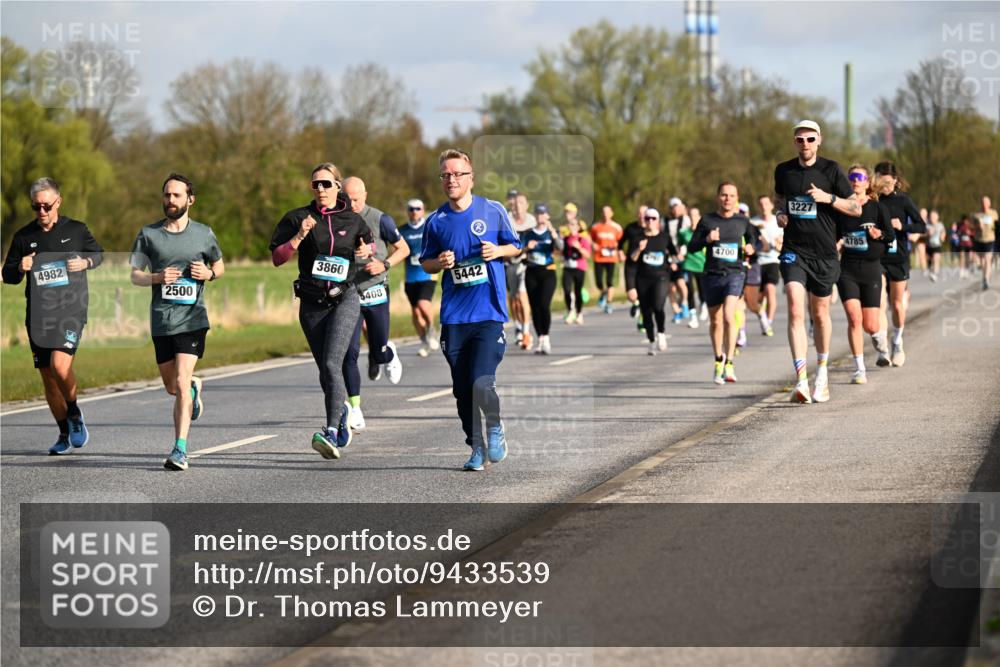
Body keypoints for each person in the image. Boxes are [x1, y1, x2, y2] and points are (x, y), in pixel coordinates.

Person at [421, 148, 521, 471]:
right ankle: (475, 445)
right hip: (454, 318)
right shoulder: (436, 221)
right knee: (463, 391)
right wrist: (440, 262)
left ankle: (494, 428)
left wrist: (497, 250)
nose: (451, 180)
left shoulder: (492, 211)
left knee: (481, 381)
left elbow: (516, 245)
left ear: (470, 178)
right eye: (446, 175)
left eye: (457, 174)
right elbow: (426, 263)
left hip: (488, 314)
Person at [270, 163, 372, 460]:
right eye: (315, 184)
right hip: (312, 303)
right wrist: (299, 236)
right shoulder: (297, 217)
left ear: (338, 186)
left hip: (345, 298)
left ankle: (330, 430)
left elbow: (367, 244)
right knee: (325, 371)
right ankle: (340, 414)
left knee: (331, 363)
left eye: (326, 184)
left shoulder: (351, 219)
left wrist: (366, 252)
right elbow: (278, 258)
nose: (321, 189)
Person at [2, 177, 103, 455]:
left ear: (58, 201)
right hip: (38, 315)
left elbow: (99, 255)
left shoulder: (77, 229)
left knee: (60, 366)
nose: (42, 212)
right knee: (48, 377)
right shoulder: (24, 237)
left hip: (71, 311)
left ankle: (74, 414)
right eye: (36, 207)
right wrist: (19, 267)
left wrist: (85, 262)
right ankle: (62, 433)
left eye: (46, 205)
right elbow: (7, 276)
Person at [130, 173, 224, 471]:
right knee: (173, 387)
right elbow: (135, 275)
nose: (171, 200)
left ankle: (180, 449)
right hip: (162, 321)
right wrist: (157, 277)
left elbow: (219, 266)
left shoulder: (203, 234)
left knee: (181, 381)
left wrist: (207, 274)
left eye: (177, 195)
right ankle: (194, 388)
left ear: (190, 200)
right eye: (167, 195)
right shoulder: (149, 234)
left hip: (193, 318)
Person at [774, 120, 861, 404]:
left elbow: (855, 207)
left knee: (820, 313)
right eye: (800, 140)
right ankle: (801, 379)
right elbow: (780, 199)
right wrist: (780, 215)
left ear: (819, 140)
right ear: (794, 142)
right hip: (794, 250)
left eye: (810, 139)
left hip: (824, 253)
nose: (805, 144)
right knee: (795, 308)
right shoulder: (783, 170)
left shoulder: (832, 170)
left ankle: (821, 374)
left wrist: (829, 197)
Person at [341, 177, 409, 431]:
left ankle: (387, 352)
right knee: (349, 352)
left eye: (357, 198)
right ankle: (355, 409)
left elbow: (403, 249)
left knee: (378, 351)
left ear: (365, 195)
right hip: (348, 293)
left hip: (376, 289)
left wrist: (384, 264)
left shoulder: (381, 219)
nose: (353, 204)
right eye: (347, 199)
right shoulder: (338, 221)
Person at [688, 182, 758, 384]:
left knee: (729, 315)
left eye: (732, 195)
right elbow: (692, 246)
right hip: (712, 274)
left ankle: (729, 362)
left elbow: (754, 242)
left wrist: (751, 249)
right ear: (718, 197)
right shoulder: (707, 220)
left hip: (735, 274)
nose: (728, 199)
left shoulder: (743, 221)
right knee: (716, 320)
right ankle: (718, 360)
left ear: (737, 198)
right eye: (724, 195)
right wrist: (707, 240)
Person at [836, 165, 895, 385]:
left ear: (867, 182)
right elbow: (833, 234)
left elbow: (890, 235)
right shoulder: (842, 209)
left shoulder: (878, 209)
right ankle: (859, 369)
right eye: (851, 177)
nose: (856, 181)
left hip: (871, 269)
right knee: (854, 318)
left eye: (860, 177)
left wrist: (879, 234)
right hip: (848, 269)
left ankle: (879, 340)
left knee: (870, 325)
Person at [872, 161, 924, 367]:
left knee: (896, 303)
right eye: (880, 180)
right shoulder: (873, 201)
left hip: (899, 257)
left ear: (895, 180)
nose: (884, 185)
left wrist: (902, 225)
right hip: (877, 257)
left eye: (887, 181)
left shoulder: (903, 201)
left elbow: (922, 225)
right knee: (880, 304)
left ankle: (897, 341)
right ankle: (883, 349)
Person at [629, 208, 676, 355]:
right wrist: (639, 249)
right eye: (647, 218)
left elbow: (674, 253)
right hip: (642, 278)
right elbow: (632, 259)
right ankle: (651, 341)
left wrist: (674, 262)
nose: (650, 221)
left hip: (661, 276)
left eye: (653, 218)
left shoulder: (664, 237)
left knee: (658, 306)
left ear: (658, 220)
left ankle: (661, 332)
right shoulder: (638, 238)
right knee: (646, 312)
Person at [399, 199, 440, 357]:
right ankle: (424, 340)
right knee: (416, 313)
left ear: (423, 210)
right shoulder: (402, 230)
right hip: (411, 277)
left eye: (418, 208)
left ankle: (431, 329)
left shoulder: (430, 227)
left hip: (427, 274)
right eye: (411, 209)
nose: (414, 211)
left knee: (424, 304)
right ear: (408, 211)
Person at [522, 203, 563, 353]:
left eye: (543, 213)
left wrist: (553, 233)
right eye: (538, 213)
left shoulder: (553, 232)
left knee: (544, 304)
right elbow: (518, 252)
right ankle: (540, 339)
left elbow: (560, 248)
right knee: (535, 307)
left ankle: (546, 337)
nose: (540, 216)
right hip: (531, 272)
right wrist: (527, 248)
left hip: (548, 272)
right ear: (535, 216)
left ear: (547, 216)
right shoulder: (528, 233)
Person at [506, 192, 535, 349]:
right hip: (509, 263)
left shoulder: (532, 221)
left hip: (525, 264)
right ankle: (518, 324)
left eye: (521, 203)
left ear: (527, 205)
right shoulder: (507, 220)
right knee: (513, 299)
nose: (517, 206)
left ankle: (526, 332)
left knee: (522, 296)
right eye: (515, 203)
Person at [752, 195, 782, 336]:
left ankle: (768, 323)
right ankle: (763, 316)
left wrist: (779, 245)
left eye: (766, 203)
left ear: (771, 206)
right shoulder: (753, 222)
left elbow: (785, 243)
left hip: (773, 261)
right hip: (757, 262)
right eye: (761, 204)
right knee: (757, 298)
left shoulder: (779, 222)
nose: (764, 206)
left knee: (770, 290)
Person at [590, 205, 623, 314]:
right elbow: (591, 239)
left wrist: (619, 251)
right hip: (599, 257)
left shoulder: (616, 227)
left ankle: (609, 302)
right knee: (598, 281)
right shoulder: (596, 227)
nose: (605, 214)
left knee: (609, 281)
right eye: (603, 212)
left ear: (611, 213)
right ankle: (603, 292)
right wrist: (593, 245)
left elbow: (621, 242)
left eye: (607, 212)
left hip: (611, 257)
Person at [561, 213, 592, 324]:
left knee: (578, 291)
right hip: (567, 267)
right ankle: (570, 311)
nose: (571, 226)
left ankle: (579, 313)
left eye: (574, 224)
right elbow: (560, 252)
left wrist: (579, 248)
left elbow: (588, 255)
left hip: (579, 267)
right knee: (567, 290)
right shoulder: (565, 239)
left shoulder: (582, 239)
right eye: (570, 224)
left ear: (578, 227)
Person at [678, 207, 706, 329]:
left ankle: (704, 305)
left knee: (702, 290)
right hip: (688, 264)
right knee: (689, 290)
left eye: (695, 215)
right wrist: (679, 252)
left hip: (702, 264)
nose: (693, 217)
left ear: (699, 217)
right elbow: (680, 245)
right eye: (690, 215)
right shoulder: (683, 232)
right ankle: (693, 316)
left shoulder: (705, 232)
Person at [621, 204, 648, 327]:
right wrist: (620, 253)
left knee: (644, 293)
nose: (642, 216)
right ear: (637, 215)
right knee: (632, 295)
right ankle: (636, 304)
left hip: (646, 266)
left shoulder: (651, 229)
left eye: (644, 214)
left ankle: (643, 317)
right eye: (640, 213)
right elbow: (620, 243)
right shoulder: (630, 228)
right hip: (631, 265)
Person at [666, 197, 692, 323]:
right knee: (670, 288)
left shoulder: (686, 220)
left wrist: (684, 253)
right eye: (674, 207)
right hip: (669, 258)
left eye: (678, 207)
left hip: (682, 256)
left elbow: (690, 236)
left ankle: (685, 303)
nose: (676, 210)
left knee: (681, 284)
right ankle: (676, 311)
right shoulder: (664, 221)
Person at [973, 195, 998, 290]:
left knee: (987, 259)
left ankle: (986, 279)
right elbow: (971, 228)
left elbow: (996, 226)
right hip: (979, 240)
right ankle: (984, 277)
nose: (984, 205)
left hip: (990, 239)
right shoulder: (977, 215)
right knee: (982, 261)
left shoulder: (994, 213)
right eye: (983, 203)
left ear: (989, 204)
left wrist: (991, 226)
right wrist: (978, 226)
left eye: (986, 203)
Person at [925, 210, 946, 282]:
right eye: (931, 217)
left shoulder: (940, 225)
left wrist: (942, 236)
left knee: (936, 259)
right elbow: (922, 234)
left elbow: (943, 232)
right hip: (928, 246)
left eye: (934, 217)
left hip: (937, 246)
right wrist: (928, 233)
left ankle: (935, 274)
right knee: (930, 261)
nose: (932, 218)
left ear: (937, 217)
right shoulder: (927, 225)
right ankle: (931, 270)